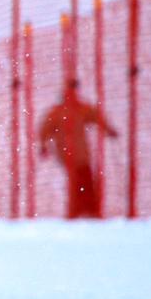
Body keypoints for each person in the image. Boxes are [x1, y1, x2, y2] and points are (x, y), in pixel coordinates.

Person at [37, 82, 118, 219]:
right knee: (81, 183)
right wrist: (43, 145)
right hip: (72, 155)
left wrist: (107, 129)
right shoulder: (62, 112)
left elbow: (96, 116)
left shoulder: (74, 109)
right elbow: (45, 129)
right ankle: (82, 211)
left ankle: (82, 211)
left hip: (78, 155)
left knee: (82, 182)